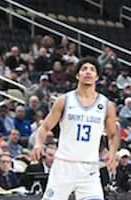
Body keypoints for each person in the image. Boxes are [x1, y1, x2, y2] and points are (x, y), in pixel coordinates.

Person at [28, 57, 120, 200]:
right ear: (77, 75)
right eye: (84, 69)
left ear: (97, 77)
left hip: (89, 168)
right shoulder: (64, 100)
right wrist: (38, 144)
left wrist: (113, 154)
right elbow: (44, 127)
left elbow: (113, 135)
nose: (88, 72)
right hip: (64, 165)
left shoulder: (106, 105)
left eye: (92, 70)